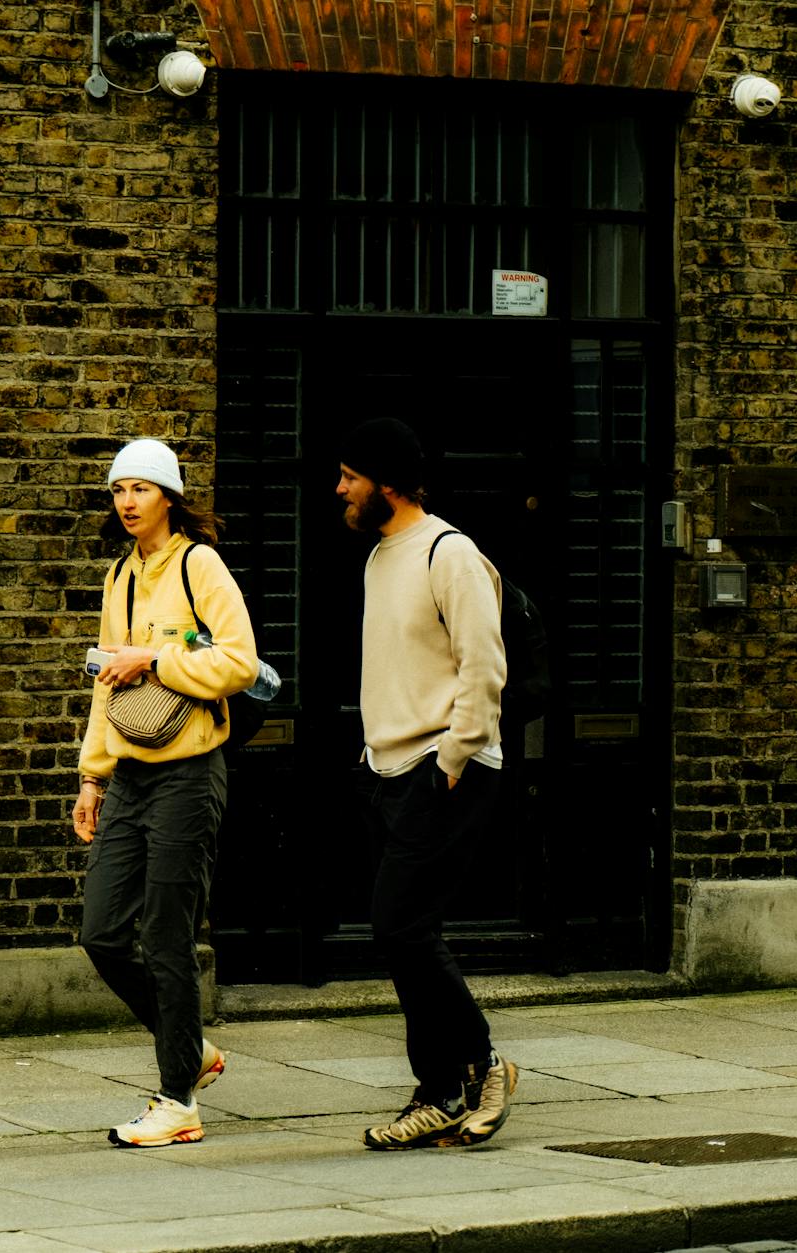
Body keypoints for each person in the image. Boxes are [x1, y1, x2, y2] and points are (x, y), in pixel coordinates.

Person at [336, 417, 520, 1151]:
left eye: (349, 476)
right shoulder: (382, 556)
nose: (339, 489)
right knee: (407, 931)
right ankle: (441, 1086)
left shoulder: (452, 553)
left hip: (446, 769)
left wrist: (451, 757)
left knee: (399, 923)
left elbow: (485, 667)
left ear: (386, 483)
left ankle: (477, 1065)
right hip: (386, 769)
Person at [74, 438, 259, 1148]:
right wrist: (92, 777)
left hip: (188, 770)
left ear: (170, 497)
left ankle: (178, 1097)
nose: (126, 501)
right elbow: (105, 684)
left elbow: (239, 661)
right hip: (131, 771)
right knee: (101, 930)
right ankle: (193, 1049)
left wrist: (153, 655)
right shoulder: (120, 575)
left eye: (140, 489)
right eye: (118, 489)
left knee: (168, 934)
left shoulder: (196, 564)